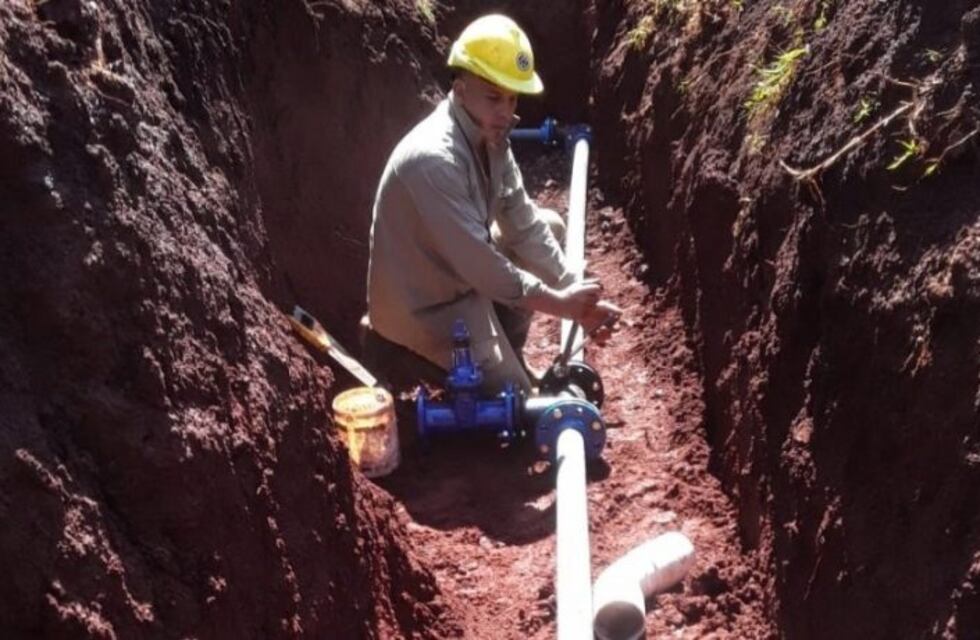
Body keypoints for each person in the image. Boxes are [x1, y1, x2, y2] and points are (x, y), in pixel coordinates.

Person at [365, 14, 619, 393]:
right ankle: (402, 353)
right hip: (424, 307)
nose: (506, 111)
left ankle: (507, 349)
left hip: (458, 281)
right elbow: (482, 266)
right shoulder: (434, 160)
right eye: (494, 96)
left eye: (513, 97)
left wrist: (575, 290)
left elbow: (523, 222)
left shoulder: (490, 136)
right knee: (517, 401)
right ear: (461, 86)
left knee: (548, 226)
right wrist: (562, 305)